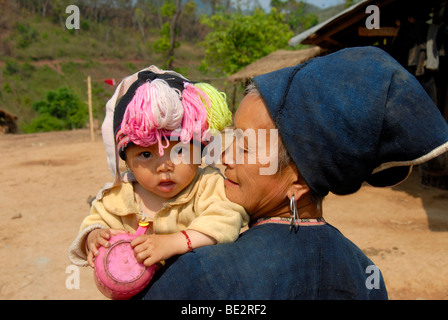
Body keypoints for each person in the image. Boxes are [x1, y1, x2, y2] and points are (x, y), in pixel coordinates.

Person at [133, 46, 448, 300]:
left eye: (244, 146)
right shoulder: (366, 275)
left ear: (298, 178)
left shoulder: (204, 273)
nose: (224, 157)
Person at [68, 66, 249, 271]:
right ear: (127, 162)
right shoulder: (120, 195)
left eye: (179, 151)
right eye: (146, 154)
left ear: (200, 153)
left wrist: (174, 242)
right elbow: (95, 220)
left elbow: (227, 219)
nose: (164, 166)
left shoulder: (207, 186)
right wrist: (94, 236)